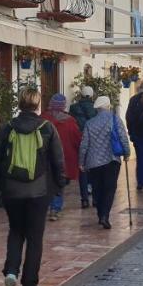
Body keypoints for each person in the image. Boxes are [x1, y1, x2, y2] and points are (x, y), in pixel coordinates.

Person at [0, 88, 66, 286]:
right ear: (37, 105)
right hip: (39, 190)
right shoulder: (47, 128)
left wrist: (1, 186)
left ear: (20, 104)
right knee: (35, 237)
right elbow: (58, 160)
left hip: (12, 189)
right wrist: (60, 185)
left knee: (16, 230)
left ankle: (10, 271)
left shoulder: (7, 128)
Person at [79, 95, 130, 229]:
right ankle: (104, 216)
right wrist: (127, 152)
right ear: (108, 106)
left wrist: (81, 161)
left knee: (97, 188)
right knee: (109, 188)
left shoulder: (89, 123)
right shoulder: (114, 119)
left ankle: (100, 213)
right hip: (111, 160)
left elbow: (84, 144)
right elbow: (123, 136)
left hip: (93, 162)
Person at [41, 94, 82, 222]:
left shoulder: (43, 119)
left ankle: (45, 207)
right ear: (64, 105)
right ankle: (55, 209)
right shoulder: (70, 121)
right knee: (59, 183)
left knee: (46, 182)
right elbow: (77, 140)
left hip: (45, 157)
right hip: (64, 159)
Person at [68, 86, 98, 208]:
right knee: (94, 169)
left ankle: (84, 199)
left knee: (82, 170)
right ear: (91, 95)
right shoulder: (95, 108)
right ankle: (95, 199)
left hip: (79, 140)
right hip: (93, 142)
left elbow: (71, 123)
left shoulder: (73, 107)